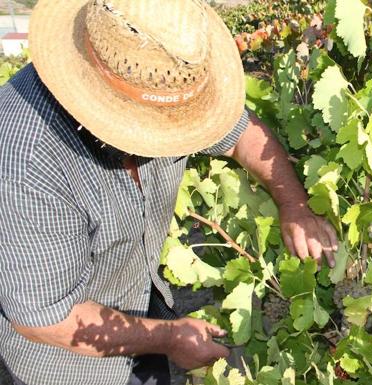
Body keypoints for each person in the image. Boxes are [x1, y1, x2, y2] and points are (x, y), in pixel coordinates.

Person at [0, 1, 338, 384]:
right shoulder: (26, 163)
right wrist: (171, 337)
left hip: (142, 311)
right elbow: (45, 318)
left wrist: (294, 203)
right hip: (64, 365)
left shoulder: (169, 80)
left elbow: (241, 134)